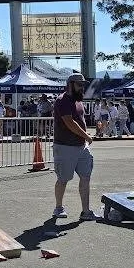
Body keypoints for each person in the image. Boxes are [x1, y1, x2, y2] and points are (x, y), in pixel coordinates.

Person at [52, 72, 96, 221]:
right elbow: (70, 123)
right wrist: (87, 136)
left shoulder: (78, 101)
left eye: (83, 84)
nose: (82, 87)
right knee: (63, 179)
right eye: (79, 84)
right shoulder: (62, 100)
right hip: (65, 146)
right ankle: (58, 208)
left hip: (81, 146)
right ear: (70, 85)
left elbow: (80, 120)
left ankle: (86, 211)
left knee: (86, 177)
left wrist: (86, 135)